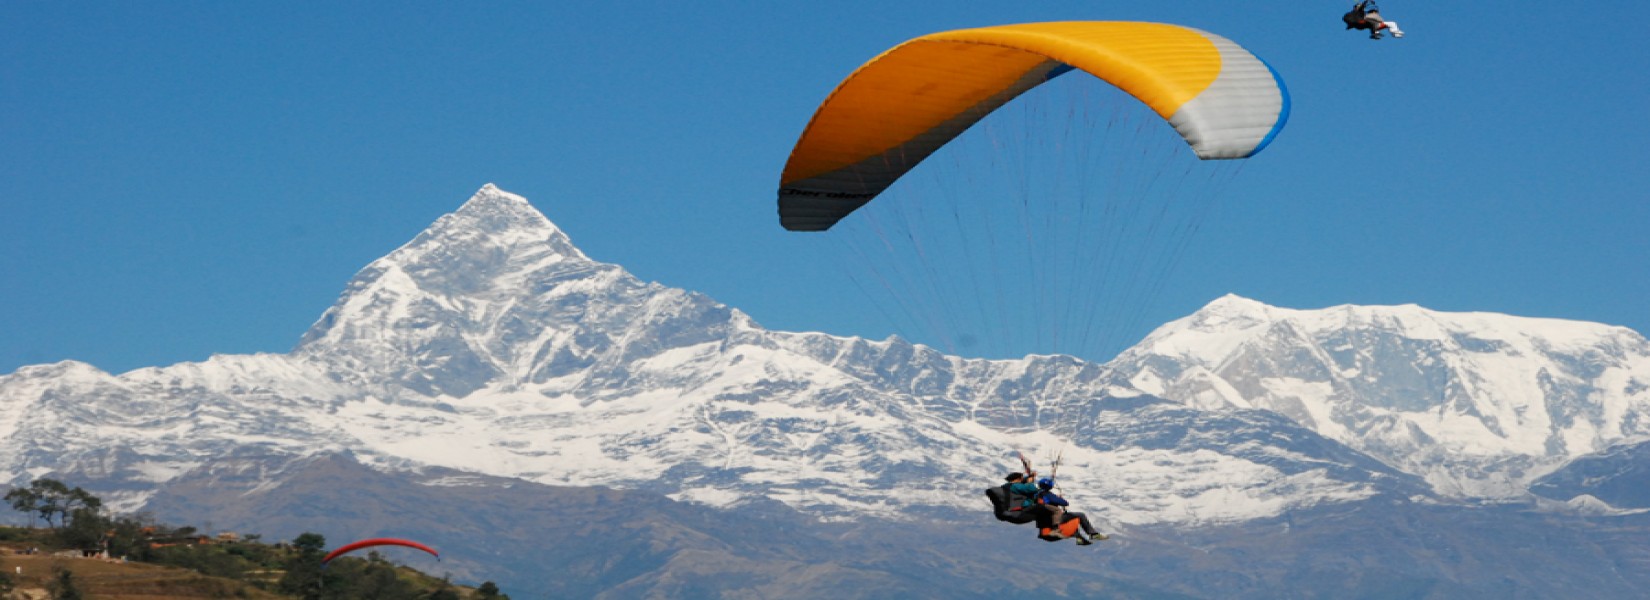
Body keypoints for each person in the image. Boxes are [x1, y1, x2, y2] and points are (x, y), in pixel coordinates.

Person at [1032, 478, 1107, 546]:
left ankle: (1080, 538)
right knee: (1080, 515)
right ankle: (1092, 534)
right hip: (1052, 519)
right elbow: (1065, 503)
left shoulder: (1037, 495)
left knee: (1072, 518)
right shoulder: (1048, 495)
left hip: (1043, 521)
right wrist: (1058, 498)